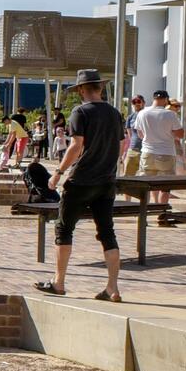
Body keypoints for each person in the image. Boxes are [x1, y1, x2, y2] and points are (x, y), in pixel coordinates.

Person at [36, 68, 124, 302]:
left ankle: (59, 282)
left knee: (64, 229)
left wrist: (58, 172)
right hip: (107, 180)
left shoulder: (80, 112)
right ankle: (112, 287)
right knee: (107, 232)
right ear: (101, 87)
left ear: (82, 90)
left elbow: (76, 146)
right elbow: (122, 144)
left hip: (82, 179)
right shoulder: (115, 113)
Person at [132, 90, 184, 216]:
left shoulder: (142, 113)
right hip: (166, 151)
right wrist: (168, 134)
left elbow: (139, 133)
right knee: (165, 186)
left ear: (153, 98)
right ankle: (162, 213)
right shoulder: (170, 114)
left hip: (147, 151)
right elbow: (180, 134)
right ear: (166, 99)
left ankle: (143, 214)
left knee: (146, 186)